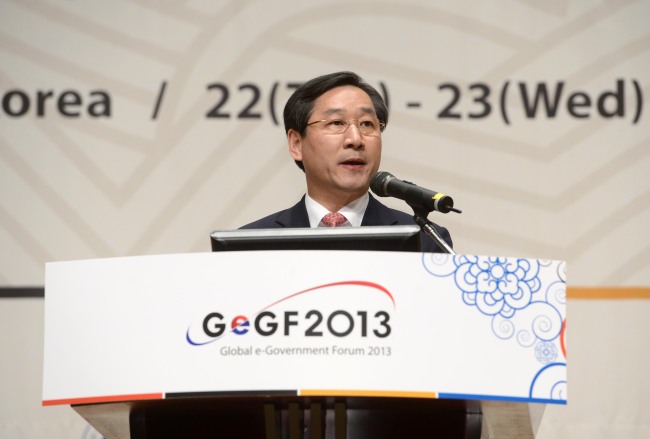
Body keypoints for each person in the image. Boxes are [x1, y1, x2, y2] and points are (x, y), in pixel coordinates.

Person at [241, 71, 452, 252]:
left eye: (367, 124)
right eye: (336, 123)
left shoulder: (425, 242)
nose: (356, 139)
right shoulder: (251, 246)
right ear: (296, 143)